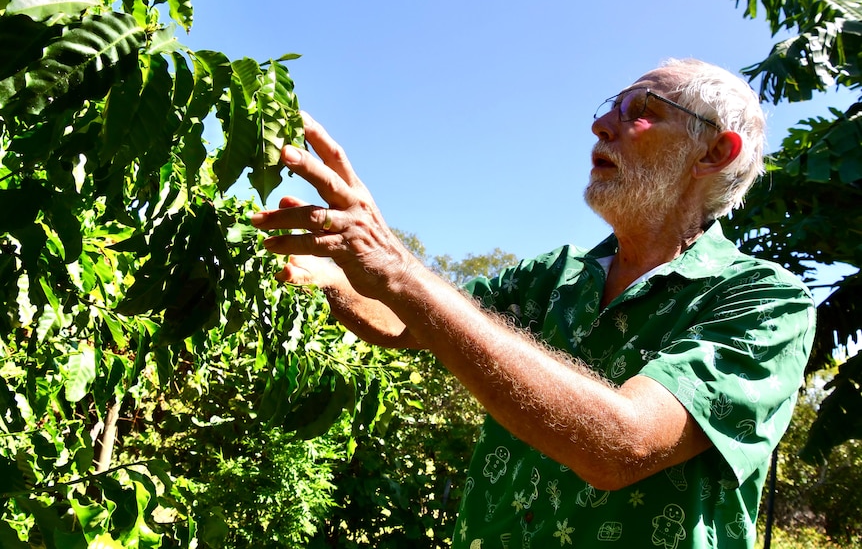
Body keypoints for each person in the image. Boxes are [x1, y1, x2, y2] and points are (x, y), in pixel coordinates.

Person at [250, 58, 815, 549]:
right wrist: (320, 270)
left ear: (714, 151)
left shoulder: (764, 302)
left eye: (641, 110)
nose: (600, 126)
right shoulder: (554, 276)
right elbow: (408, 322)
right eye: (607, 109)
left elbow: (625, 444)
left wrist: (399, 269)